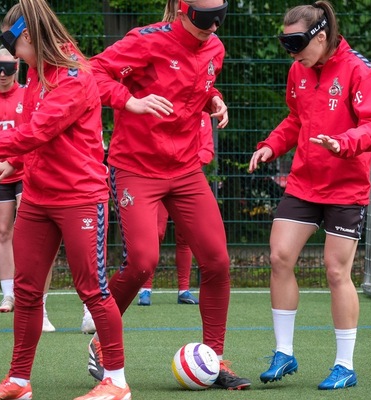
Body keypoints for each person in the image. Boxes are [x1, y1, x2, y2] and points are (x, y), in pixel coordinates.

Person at [0, 2, 131, 399]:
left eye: (11, 41)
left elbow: (38, 130)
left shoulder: (72, 76)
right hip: (37, 197)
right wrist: (13, 165)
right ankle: (18, 382)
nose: (10, 54)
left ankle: (117, 383)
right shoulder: (36, 72)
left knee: (94, 291)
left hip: (80, 198)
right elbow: (36, 136)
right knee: (27, 291)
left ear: (30, 36)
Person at [88, 0, 251, 390]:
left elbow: (198, 84)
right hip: (136, 168)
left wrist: (214, 98)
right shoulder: (145, 42)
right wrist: (129, 100)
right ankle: (100, 337)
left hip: (185, 169)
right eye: (203, 16)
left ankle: (214, 358)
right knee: (143, 261)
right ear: (182, 11)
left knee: (217, 260)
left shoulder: (215, 48)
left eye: (220, 15)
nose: (213, 25)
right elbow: (91, 73)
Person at [248, 1, 371, 390]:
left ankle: (344, 365)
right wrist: (271, 147)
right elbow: (295, 120)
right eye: (286, 43)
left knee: (336, 271)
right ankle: (284, 353)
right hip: (304, 182)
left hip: (345, 187)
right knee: (279, 256)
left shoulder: (360, 70)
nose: (291, 53)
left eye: (297, 44)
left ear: (321, 37)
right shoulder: (299, 70)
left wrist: (343, 143)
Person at [0, 48, 56, 333]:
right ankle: (9, 292)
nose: (3, 74)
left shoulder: (29, 93)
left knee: (29, 231)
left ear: (17, 65)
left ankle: (34, 298)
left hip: (27, 168)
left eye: (7, 67)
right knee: (3, 231)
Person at [137, 113, 213, 306]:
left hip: (187, 180)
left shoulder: (202, 114)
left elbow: (207, 149)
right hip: (159, 178)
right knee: (155, 233)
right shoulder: (162, 109)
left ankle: (184, 290)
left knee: (186, 236)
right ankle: (145, 290)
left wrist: (188, 164)